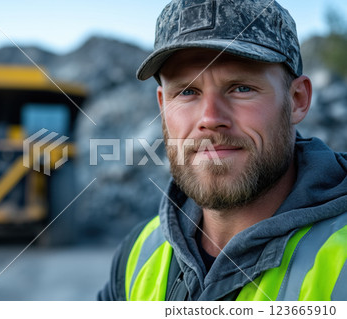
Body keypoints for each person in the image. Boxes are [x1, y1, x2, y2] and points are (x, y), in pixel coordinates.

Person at [98, 0, 347, 301]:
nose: (211, 119)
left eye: (241, 88)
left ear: (297, 100)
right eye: (187, 91)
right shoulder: (137, 255)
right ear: (163, 106)